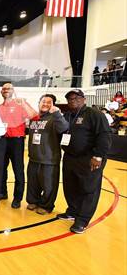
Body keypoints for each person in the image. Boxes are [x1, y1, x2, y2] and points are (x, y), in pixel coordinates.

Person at [58, 89, 111, 234]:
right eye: (69, 99)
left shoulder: (95, 114)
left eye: (76, 97)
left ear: (84, 99)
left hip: (89, 158)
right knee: (71, 186)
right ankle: (73, 211)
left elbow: (104, 135)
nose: (72, 100)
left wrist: (98, 156)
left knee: (89, 189)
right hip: (70, 157)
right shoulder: (67, 115)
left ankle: (82, 220)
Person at [26, 94, 69, 215]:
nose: (45, 104)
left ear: (53, 105)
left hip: (49, 159)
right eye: (43, 101)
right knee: (32, 183)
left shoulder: (55, 117)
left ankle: (46, 205)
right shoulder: (34, 118)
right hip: (33, 157)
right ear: (38, 103)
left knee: (49, 185)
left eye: (49, 102)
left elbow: (64, 128)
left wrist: (57, 114)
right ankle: (33, 200)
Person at [0, 83, 37, 208]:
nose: (6, 90)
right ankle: (2, 192)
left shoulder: (20, 104)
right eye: (4, 88)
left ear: (13, 91)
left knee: (18, 170)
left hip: (16, 141)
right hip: (2, 140)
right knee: (1, 169)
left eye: (8, 88)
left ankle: (17, 198)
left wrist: (24, 103)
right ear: (1, 92)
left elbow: (34, 116)